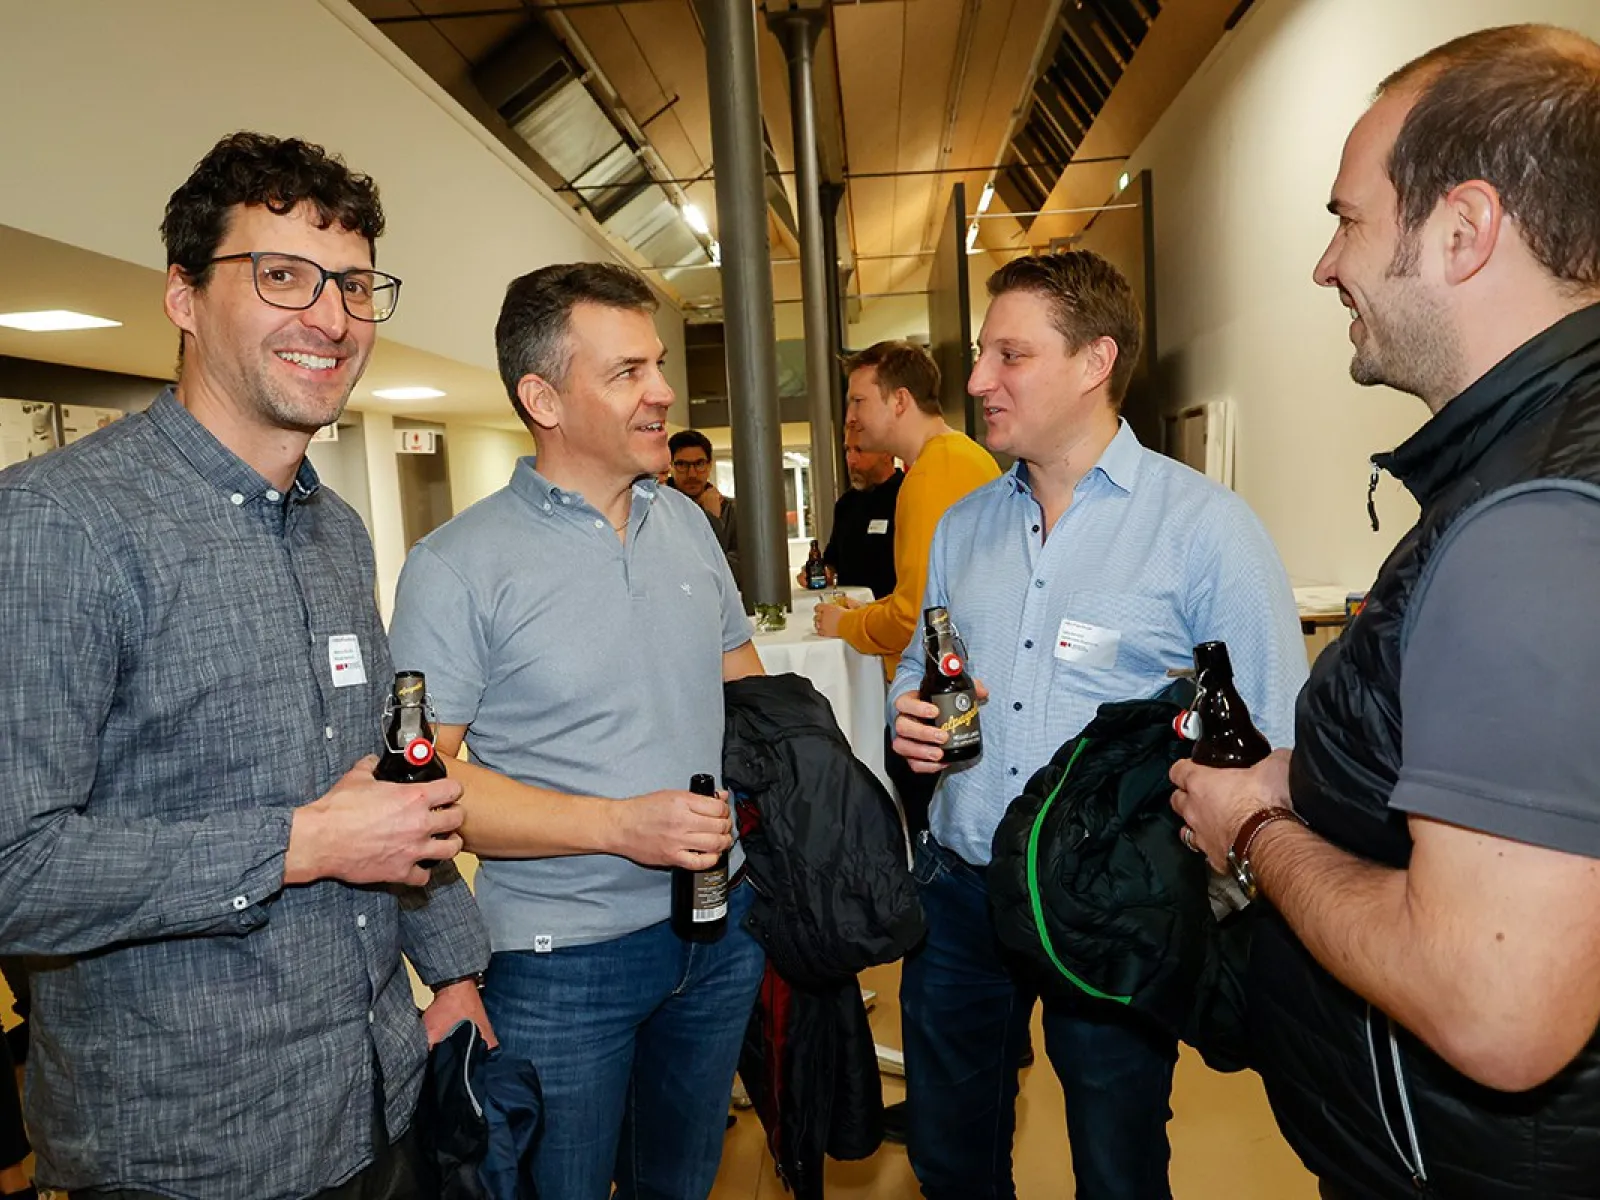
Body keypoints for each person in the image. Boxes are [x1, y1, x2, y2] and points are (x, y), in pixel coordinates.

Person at [0, 132, 492, 1200]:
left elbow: (388, 783)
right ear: (183, 296)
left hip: (376, 1100)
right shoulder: (59, 525)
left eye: (354, 285)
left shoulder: (339, 531)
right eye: (282, 275)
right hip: (189, 1148)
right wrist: (301, 844)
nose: (330, 316)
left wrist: (454, 967)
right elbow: (14, 868)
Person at [1169, 25, 1600, 1200]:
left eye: (1349, 219)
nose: (1324, 265)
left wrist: (1257, 832)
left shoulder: (1531, 525)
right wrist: (1306, 773)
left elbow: (1500, 1007)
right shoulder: (1526, 473)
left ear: (1463, 232)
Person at [889, 249, 1306, 1199]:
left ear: (1094, 361)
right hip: (958, 893)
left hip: (1111, 901)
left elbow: (1273, 741)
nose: (977, 380)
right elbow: (922, 666)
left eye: (1010, 354)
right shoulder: (964, 527)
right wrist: (906, 717)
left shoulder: (1207, 530)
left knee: (1118, 1166)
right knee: (950, 1155)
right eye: (981, 355)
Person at [388, 261, 767, 1200]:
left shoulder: (685, 525)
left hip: (718, 938)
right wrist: (617, 825)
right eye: (628, 371)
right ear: (542, 397)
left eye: (660, 365)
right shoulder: (458, 567)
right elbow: (425, 785)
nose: (664, 393)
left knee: (679, 1186)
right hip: (561, 966)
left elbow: (748, 704)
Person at [814, 340, 999, 838]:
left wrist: (846, 622)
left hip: (944, 703)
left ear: (898, 401)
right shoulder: (955, 457)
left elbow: (915, 618)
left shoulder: (933, 471)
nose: (850, 416)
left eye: (858, 400)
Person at [796, 430, 902, 599]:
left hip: (893, 615)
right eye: (847, 450)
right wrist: (820, 572)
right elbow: (833, 561)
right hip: (850, 613)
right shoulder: (846, 504)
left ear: (887, 453)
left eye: (859, 450)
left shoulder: (906, 496)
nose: (851, 460)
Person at [669, 428, 740, 586]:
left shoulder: (731, 510)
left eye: (699, 464)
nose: (692, 474)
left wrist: (712, 518)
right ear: (670, 466)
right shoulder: (658, 509)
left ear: (709, 465)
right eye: (682, 465)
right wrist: (713, 519)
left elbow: (735, 572)